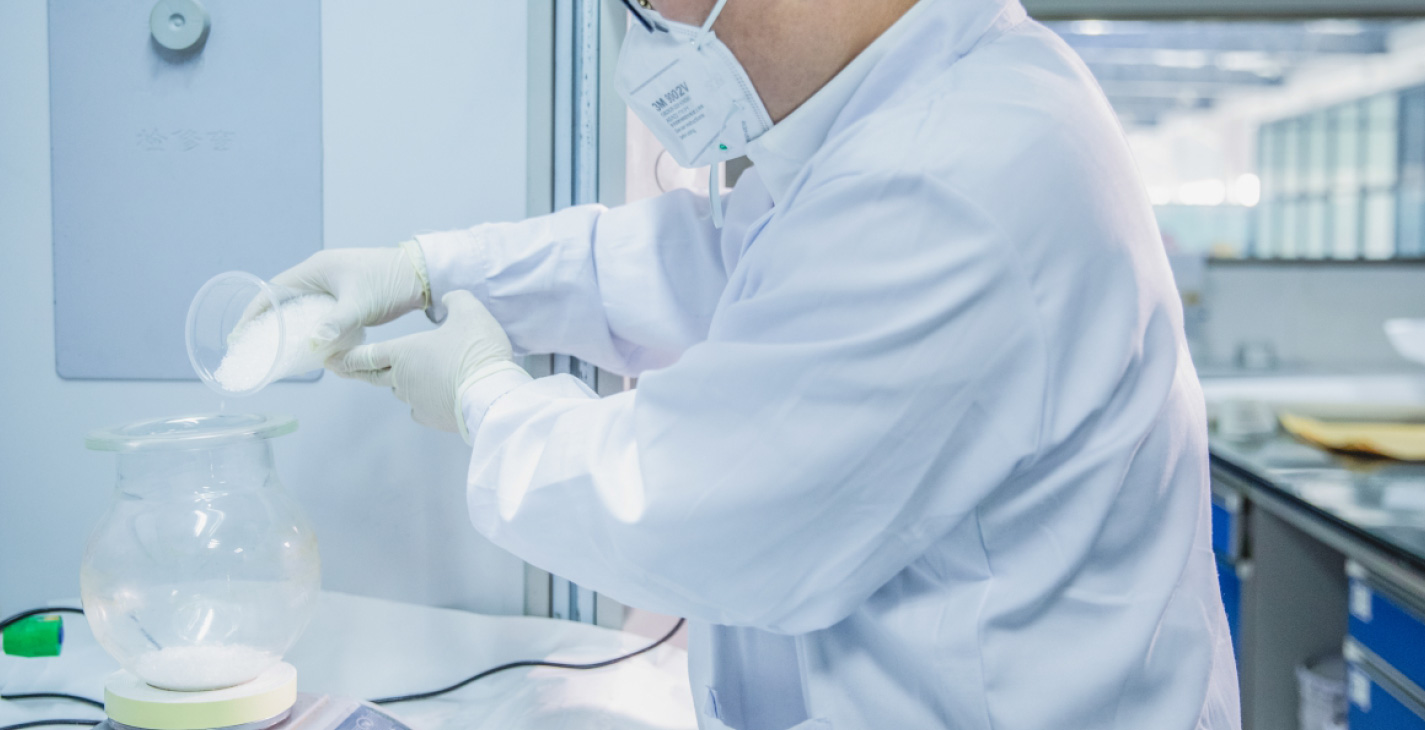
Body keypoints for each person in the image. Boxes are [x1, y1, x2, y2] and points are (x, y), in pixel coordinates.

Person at [266, 0, 1241, 727]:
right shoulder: (924, 108)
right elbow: (711, 262)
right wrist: (431, 270)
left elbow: (680, 506)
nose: (648, 31)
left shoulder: (947, 176)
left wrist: (485, 398)